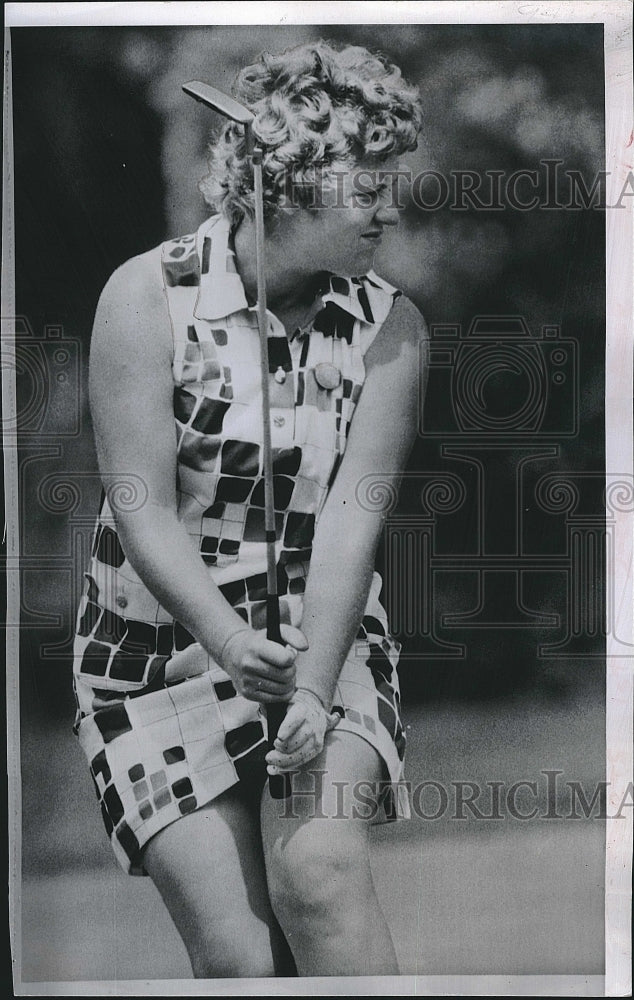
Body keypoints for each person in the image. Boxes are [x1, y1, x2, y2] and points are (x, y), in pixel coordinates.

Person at [72, 40, 426, 979]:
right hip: (154, 658)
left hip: (326, 637)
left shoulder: (392, 327)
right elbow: (139, 508)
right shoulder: (146, 299)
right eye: (369, 187)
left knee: (316, 871)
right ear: (291, 182)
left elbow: (353, 521)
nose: (391, 211)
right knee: (242, 958)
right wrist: (228, 642)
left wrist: (310, 686)